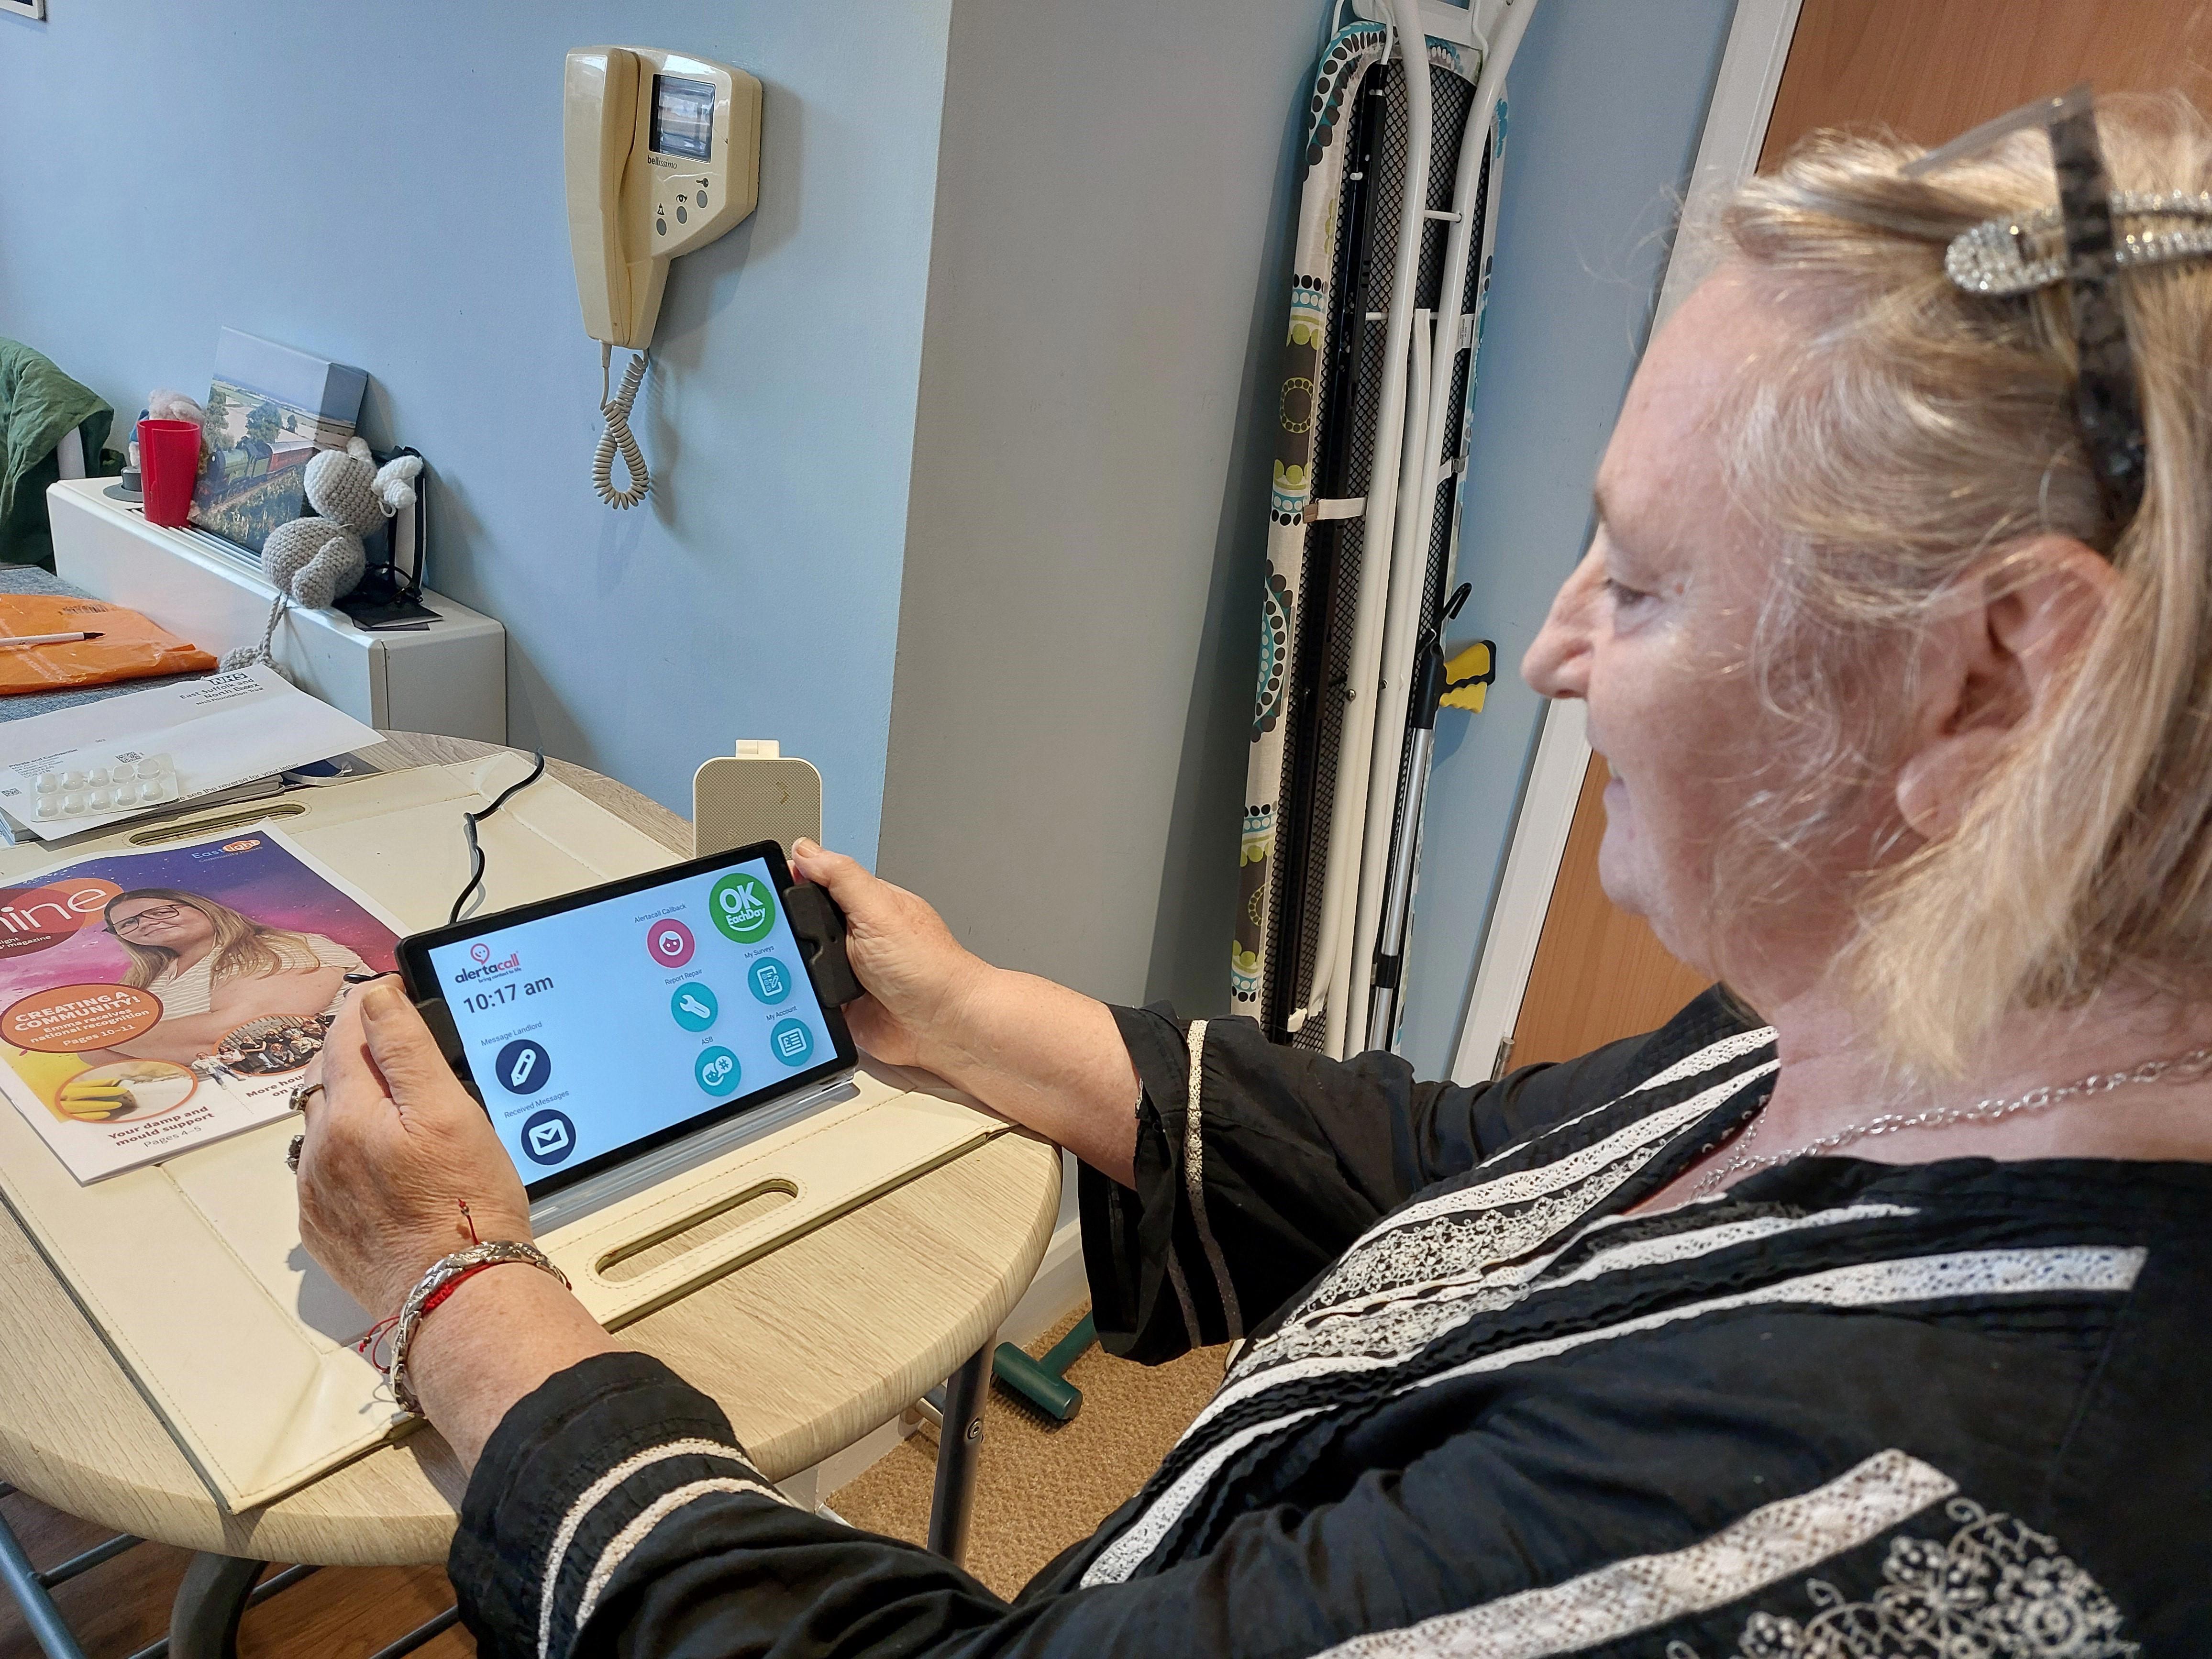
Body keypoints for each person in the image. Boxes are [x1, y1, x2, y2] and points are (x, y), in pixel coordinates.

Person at [296, 95, 2212, 1656]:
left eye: (1637, 583)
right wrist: (970, 1023)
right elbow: (1471, 1180)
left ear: (1996, 671)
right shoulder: (1927, 1012)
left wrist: (460, 1299)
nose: (1546, 653)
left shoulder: (1858, 1520)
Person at [93, 888, 367, 1068]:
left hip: (336, 1080)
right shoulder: (143, 983)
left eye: (161, 911)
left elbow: (247, 1031)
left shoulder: (278, 947)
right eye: (128, 924)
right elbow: (96, 1056)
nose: (146, 924)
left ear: (203, 907)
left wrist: (107, 1036)